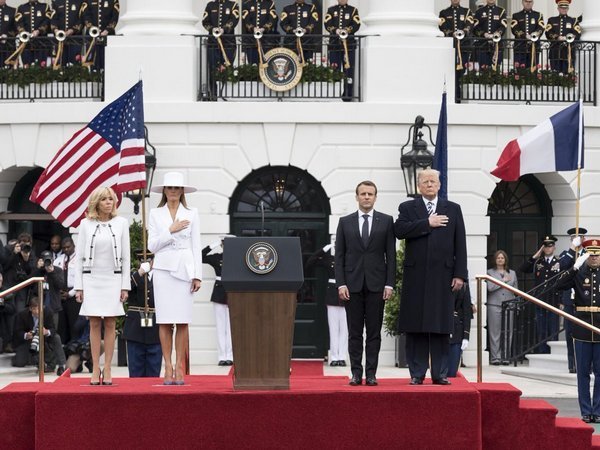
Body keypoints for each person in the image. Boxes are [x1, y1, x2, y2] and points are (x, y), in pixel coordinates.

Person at [394, 169, 468, 386]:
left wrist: (459, 274)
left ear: (439, 185)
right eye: (425, 181)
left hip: (443, 276)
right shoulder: (408, 208)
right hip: (416, 276)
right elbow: (399, 230)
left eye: (433, 181)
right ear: (419, 186)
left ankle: (440, 373)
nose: (429, 184)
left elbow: (460, 243)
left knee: (440, 326)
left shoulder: (453, 209)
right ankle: (417, 373)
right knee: (415, 326)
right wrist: (427, 223)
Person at [335, 180, 396, 386]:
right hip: (351, 286)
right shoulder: (345, 222)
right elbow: (339, 256)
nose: (367, 197)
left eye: (370, 194)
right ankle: (355, 373)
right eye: (363, 194)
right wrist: (341, 283)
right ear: (357, 197)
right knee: (354, 333)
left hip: (377, 285)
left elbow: (391, 255)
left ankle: (371, 374)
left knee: (373, 333)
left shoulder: (386, 221)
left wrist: (389, 284)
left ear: (375, 197)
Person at [149, 172, 202, 385]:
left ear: (182, 191)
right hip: (162, 270)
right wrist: (170, 230)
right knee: (164, 320)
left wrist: (197, 275)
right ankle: (168, 366)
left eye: (176, 188)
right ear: (164, 190)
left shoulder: (192, 213)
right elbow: (152, 246)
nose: (172, 191)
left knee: (182, 320)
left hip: (184, 270)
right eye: (169, 187)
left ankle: (180, 365)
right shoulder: (155, 213)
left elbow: (196, 245)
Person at [74, 186, 130, 386]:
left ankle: (108, 367)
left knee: (111, 323)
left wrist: (125, 286)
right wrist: (79, 287)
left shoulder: (122, 223)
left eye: (111, 199)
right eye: (104, 199)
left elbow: (126, 257)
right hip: (91, 279)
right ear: (96, 202)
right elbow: (79, 258)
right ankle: (95, 367)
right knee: (94, 323)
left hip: (113, 279)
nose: (108, 202)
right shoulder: (85, 224)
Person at [555, 238, 600, 423]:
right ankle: (586, 411)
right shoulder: (579, 273)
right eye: (591, 255)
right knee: (583, 373)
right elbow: (559, 285)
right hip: (582, 328)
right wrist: (574, 267)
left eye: (597, 255)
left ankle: (598, 410)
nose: (594, 258)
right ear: (586, 256)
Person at [519, 235, 575, 353]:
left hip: (554, 301)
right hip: (540, 300)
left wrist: (561, 301)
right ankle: (542, 353)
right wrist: (536, 255)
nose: (548, 248)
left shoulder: (559, 261)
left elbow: (567, 266)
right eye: (545, 246)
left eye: (550, 246)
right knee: (541, 330)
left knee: (553, 329)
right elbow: (523, 268)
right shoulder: (538, 262)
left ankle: (552, 354)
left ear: (554, 247)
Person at [307, 242, 348, 366]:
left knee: (345, 329)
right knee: (333, 328)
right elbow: (311, 262)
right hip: (332, 295)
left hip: (347, 294)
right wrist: (324, 249)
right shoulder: (329, 259)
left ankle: (342, 357)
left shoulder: (350, 258)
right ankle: (334, 357)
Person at [123, 250, 162, 378]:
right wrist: (139, 273)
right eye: (143, 261)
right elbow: (124, 289)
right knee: (135, 373)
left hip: (156, 329)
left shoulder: (161, 276)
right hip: (135, 330)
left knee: (154, 372)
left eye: (149, 261)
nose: (147, 263)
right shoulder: (133, 276)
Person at [12, 296, 67, 374]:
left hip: (44, 338)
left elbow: (53, 329)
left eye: (39, 308)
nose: (37, 311)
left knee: (56, 337)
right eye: (34, 309)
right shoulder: (22, 315)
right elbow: (17, 332)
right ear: (30, 309)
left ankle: (62, 365)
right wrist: (26, 335)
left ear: (43, 307)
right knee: (19, 362)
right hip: (29, 340)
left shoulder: (48, 312)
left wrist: (46, 331)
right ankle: (36, 361)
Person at [202, 238, 233, 366]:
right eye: (224, 244)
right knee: (221, 326)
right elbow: (200, 256)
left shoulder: (238, 258)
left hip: (233, 292)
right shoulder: (217, 257)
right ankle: (222, 356)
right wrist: (212, 245)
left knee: (231, 327)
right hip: (219, 292)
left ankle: (230, 356)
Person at [560, 227, 586, 373]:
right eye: (573, 238)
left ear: (583, 239)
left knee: (585, 331)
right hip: (569, 298)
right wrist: (572, 249)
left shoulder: (588, 254)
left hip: (584, 297)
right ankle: (572, 363)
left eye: (579, 237)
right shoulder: (567, 254)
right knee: (569, 332)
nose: (576, 240)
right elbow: (563, 267)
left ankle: (586, 364)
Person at [202, 0, 240, 99]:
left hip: (228, 43)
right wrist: (212, 29)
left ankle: (226, 94)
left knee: (227, 67)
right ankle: (214, 94)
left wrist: (224, 29)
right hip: (213, 43)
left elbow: (234, 19)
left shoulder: (233, 5)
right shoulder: (210, 5)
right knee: (213, 68)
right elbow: (205, 21)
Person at [324, 0, 360, 101]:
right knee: (334, 70)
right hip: (334, 46)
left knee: (349, 71)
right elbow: (327, 23)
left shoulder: (353, 10)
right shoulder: (331, 10)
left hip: (349, 46)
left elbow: (356, 24)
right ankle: (334, 95)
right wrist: (335, 30)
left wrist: (347, 30)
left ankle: (347, 95)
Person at [486, 250, 518, 365]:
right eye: (498, 258)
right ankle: (495, 357)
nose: (500, 260)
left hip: (509, 305)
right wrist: (502, 281)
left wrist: (515, 304)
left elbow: (516, 290)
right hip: (494, 305)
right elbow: (490, 288)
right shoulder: (489, 272)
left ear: (505, 260)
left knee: (508, 331)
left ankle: (505, 356)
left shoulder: (512, 273)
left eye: (502, 258)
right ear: (495, 260)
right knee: (495, 332)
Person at [54, 237, 80, 345]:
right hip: (60, 294)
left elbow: (82, 279)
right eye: (64, 248)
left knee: (74, 323)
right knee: (62, 324)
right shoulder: (59, 260)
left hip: (74, 294)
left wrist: (70, 294)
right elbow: (53, 276)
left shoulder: (79, 259)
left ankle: (74, 346)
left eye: (68, 247)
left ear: (73, 246)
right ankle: (63, 347)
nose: (66, 249)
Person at [80, 0, 119, 69]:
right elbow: (86, 15)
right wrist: (92, 29)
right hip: (92, 37)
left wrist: (107, 30)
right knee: (92, 64)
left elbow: (115, 16)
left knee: (107, 63)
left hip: (108, 36)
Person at [545, 0, 581, 74]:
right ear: (558, 8)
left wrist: (567, 38)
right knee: (555, 74)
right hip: (555, 51)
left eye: (565, 8)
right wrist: (557, 37)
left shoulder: (573, 21)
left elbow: (577, 33)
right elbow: (548, 32)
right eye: (562, 8)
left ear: (568, 9)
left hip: (568, 52)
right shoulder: (551, 20)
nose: (564, 9)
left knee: (568, 75)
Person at [14, 0, 51, 67]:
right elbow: (18, 22)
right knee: (26, 66)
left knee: (41, 66)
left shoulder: (45, 6)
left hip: (41, 42)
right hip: (26, 43)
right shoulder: (21, 8)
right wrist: (23, 32)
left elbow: (47, 20)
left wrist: (39, 31)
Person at [48, 0, 85, 66]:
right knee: (60, 62)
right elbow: (54, 19)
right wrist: (55, 30)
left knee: (74, 63)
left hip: (75, 38)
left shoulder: (79, 2)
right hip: (60, 38)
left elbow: (81, 19)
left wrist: (72, 30)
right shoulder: (56, 2)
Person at [447, 281, 472, 377]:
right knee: (438, 372)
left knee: (452, 372)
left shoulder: (463, 287)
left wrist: (466, 335)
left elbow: (466, 312)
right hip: (439, 331)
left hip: (456, 331)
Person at [241, 0, 278, 66]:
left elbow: (273, 18)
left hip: (266, 40)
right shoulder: (247, 4)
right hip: (251, 40)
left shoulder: (269, 3)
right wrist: (253, 28)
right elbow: (245, 19)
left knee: (266, 64)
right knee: (253, 64)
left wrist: (264, 28)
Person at [472, 0, 507, 68]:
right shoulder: (479, 11)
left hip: (497, 46)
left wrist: (497, 33)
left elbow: (503, 26)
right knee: (483, 69)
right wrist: (483, 34)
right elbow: (475, 28)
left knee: (496, 70)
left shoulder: (501, 11)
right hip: (482, 46)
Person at [510, 0, 544, 70]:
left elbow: (541, 27)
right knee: (520, 71)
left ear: (533, 2)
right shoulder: (516, 15)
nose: (528, 3)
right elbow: (514, 28)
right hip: (520, 47)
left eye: (530, 1)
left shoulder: (538, 15)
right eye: (526, 1)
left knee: (533, 71)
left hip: (534, 47)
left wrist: (534, 34)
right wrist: (525, 36)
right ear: (522, 2)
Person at [0, 0, 17, 69]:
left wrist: (7, 35)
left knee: (8, 68)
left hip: (8, 45)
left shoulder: (12, 11)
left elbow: (16, 29)